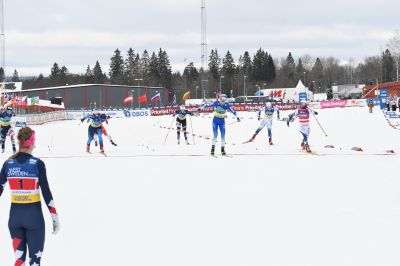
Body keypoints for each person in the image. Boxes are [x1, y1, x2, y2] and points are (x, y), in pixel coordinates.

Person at [0, 127, 60, 266]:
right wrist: (54, 217)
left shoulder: (8, 164)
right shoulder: (37, 164)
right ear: (31, 142)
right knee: (34, 262)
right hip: (34, 219)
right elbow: (46, 192)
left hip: (14, 219)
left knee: (19, 261)